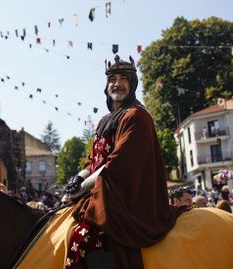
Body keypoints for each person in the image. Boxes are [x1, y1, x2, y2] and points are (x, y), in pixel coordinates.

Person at [64, 55, 186, 269]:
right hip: (101, 191)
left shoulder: (136, 116)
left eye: (123, 79)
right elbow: (94, 160)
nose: (117, 83)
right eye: (112, 79)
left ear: (132, 84)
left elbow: (117, 164)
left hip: (125, 199)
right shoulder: (104, 120)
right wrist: (78, 178)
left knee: (84, 239)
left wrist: (80, 189)